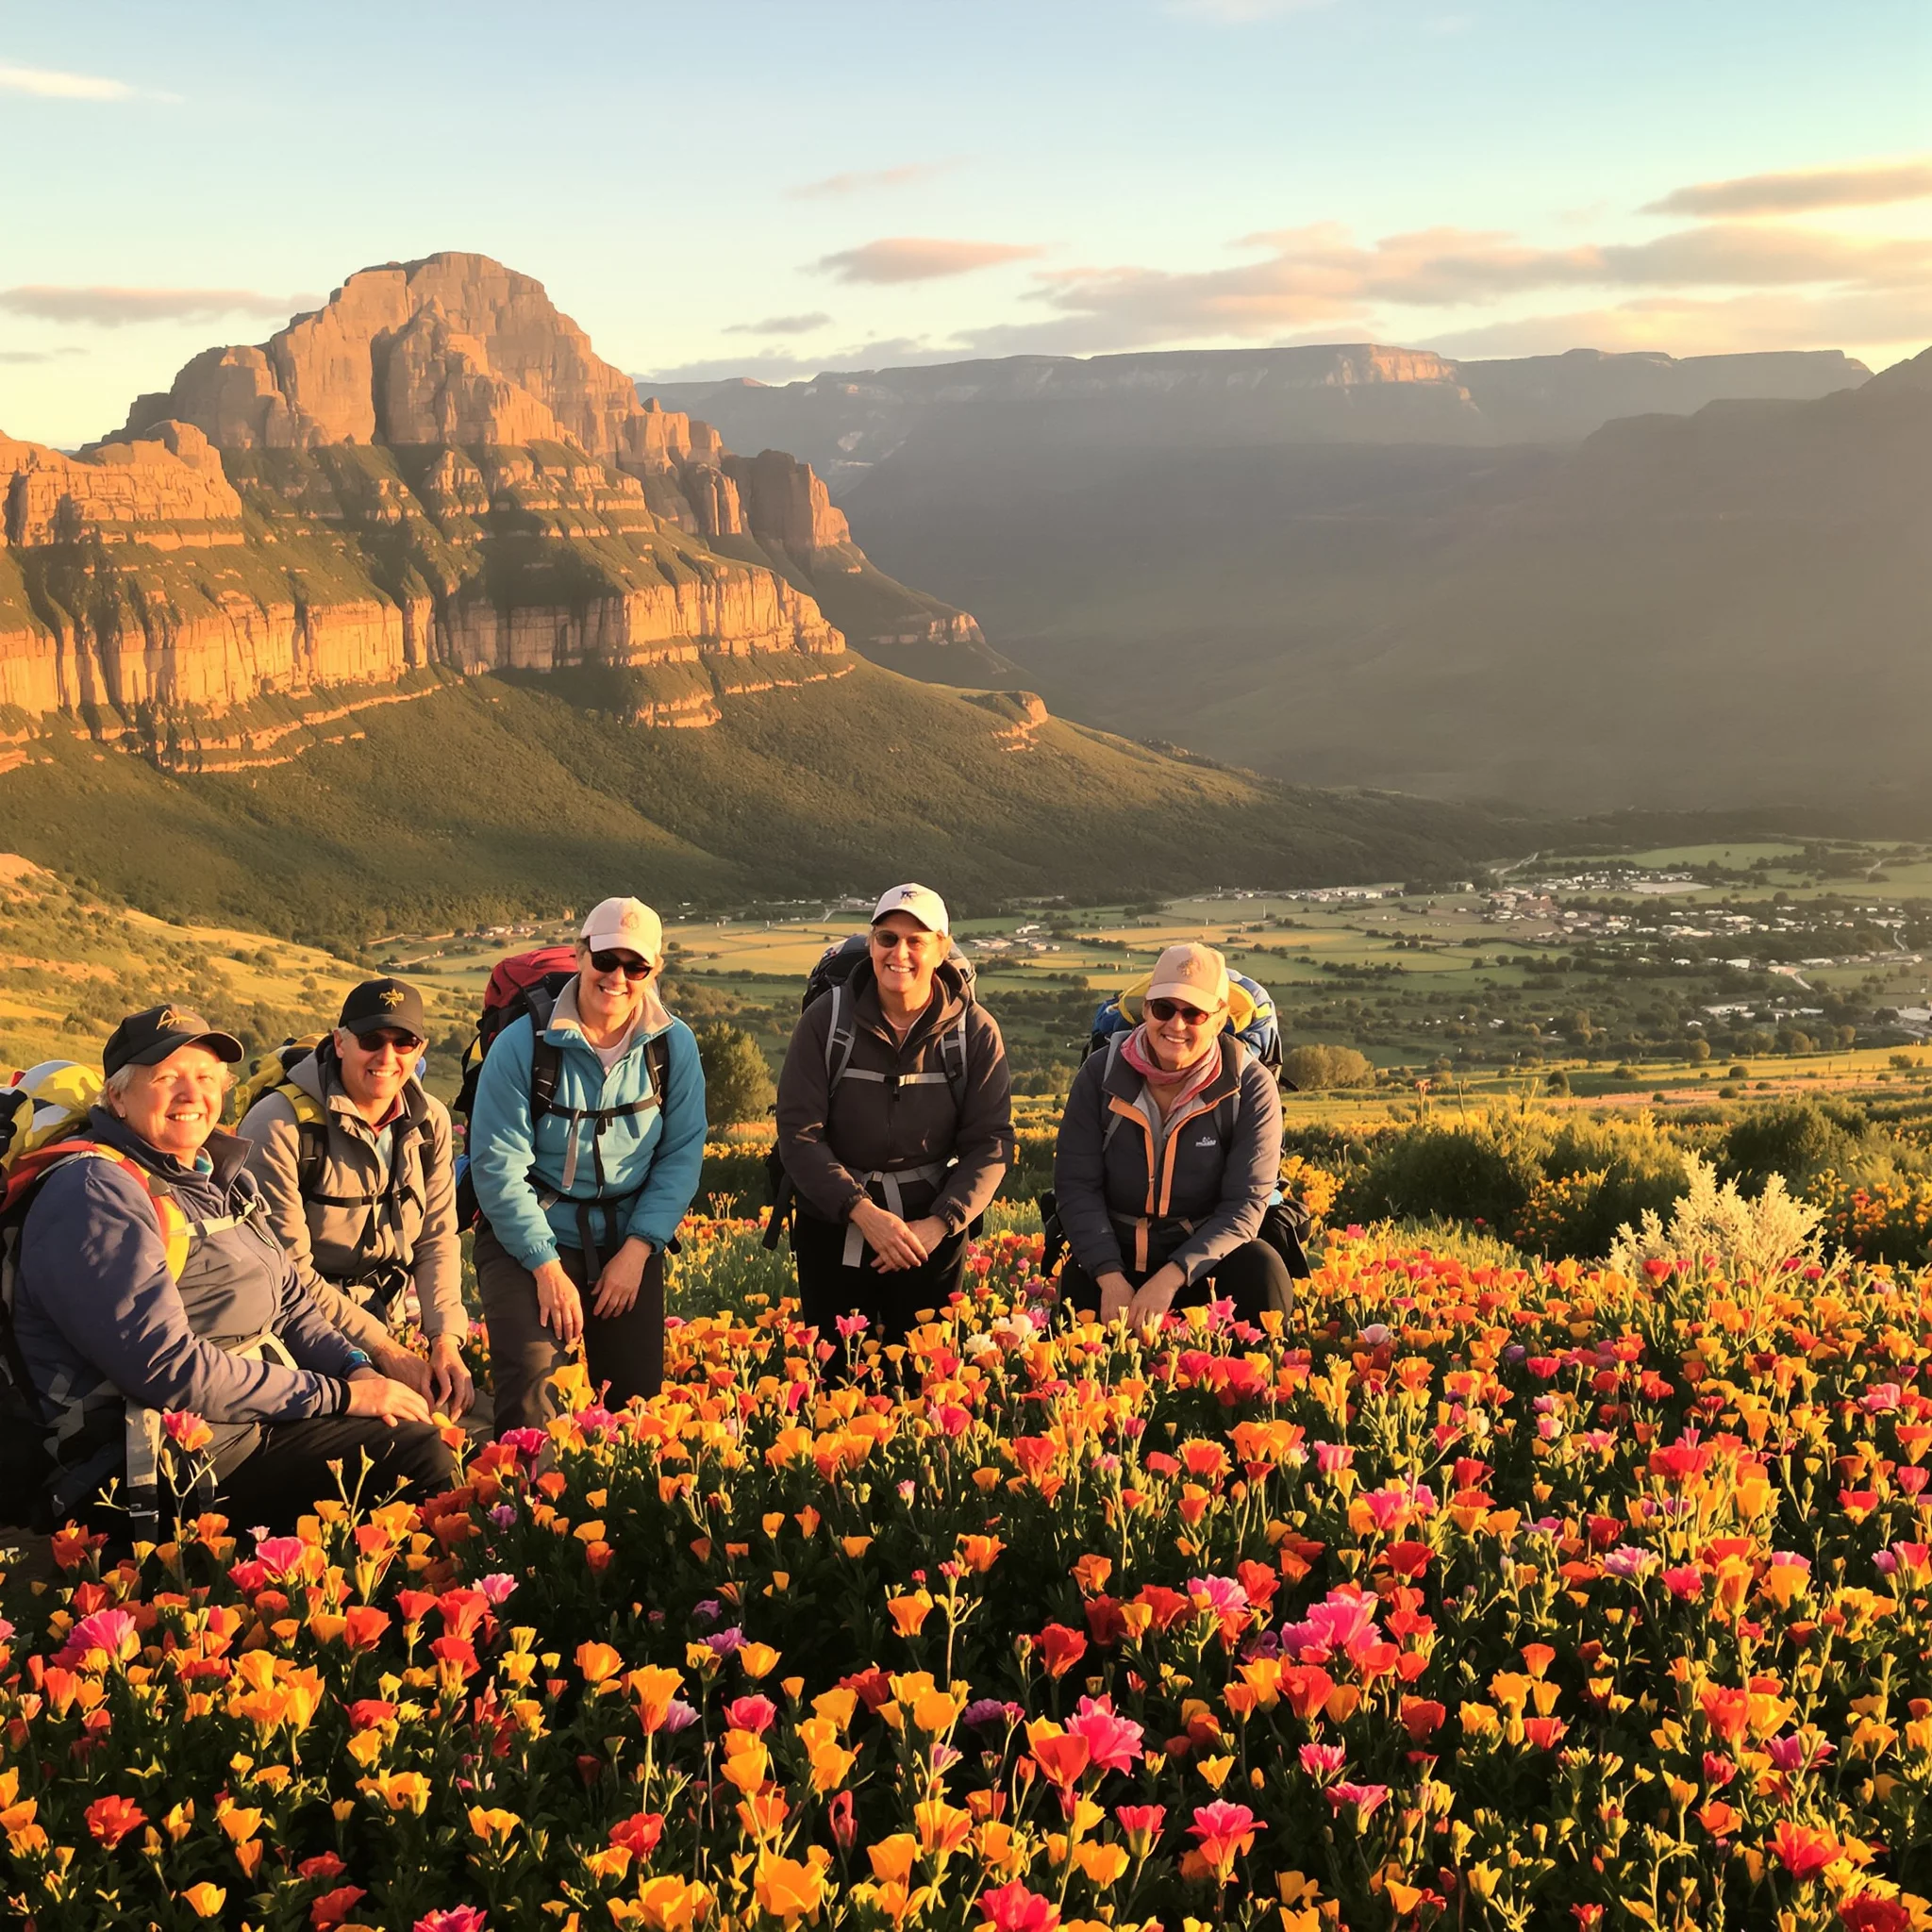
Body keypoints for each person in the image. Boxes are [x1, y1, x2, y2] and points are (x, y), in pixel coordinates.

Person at [10, 1004, 451, 1532]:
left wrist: (354, 1367)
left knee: (414, 1432)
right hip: (147, 1458)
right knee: (420, 1458)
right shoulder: (94, 1194)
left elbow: (291, 1303)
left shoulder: (217, 1175)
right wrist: (342, 1395)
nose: (191, 1095)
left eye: (205, 1077)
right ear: (119, 1097)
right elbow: (166, 1365)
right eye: (166, 1078)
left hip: (240, 1425)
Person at [467, 897, 706, 1433]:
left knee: (635, 1408)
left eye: (635, 966)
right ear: (580, 955)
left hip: (627, 1238)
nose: (617, 978)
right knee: (536, 1396)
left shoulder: (673, 1046)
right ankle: (526, 1487)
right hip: (528, 1234)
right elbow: (498, 1167)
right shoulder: (521, 1045)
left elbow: (682, 1154)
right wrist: (545, 1268)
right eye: (606, 960)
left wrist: (638, 1250)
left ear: (653, 971)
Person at [776, 883, 1014, 1347]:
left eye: (915, 941)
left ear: (942, 950)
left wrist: (940, 1224)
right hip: (834, 1226)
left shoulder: (974, 1031)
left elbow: (991, 1142)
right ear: (871, 943)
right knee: (837, 1372)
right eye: (887, 938)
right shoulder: (825, 1021)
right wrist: (863, 1213)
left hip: (930, 1233)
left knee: (922, 1374)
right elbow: (799, 1133)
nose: (898, 953)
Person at [240, 977, 473, 1418]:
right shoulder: (280, 1125)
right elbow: (289, 1275)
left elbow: (437, 1238)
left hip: (384, 1318)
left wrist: (445, 1340)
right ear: (340, 1043)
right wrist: (384, 1351)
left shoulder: (429, 1122)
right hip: (299, 1331)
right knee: (412, 1439)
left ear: (420, 1050)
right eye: (371, 1040)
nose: (387, 1057)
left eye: (404, 1043)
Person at [1052, 941, 1291, 1326]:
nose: (1176, 1025)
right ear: (1146, 1009)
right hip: (1113, 1260)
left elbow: (1244, 1206)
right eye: (1164, 1008)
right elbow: (1076, 1186)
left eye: (1194, 1013)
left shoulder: (1250, 1086)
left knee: (1261, 1270)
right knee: (1076, 1315)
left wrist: (1170, 1279)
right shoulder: (1099, 1074)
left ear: (1219, 1019)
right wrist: (1109, 1277)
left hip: (1206, 1265)